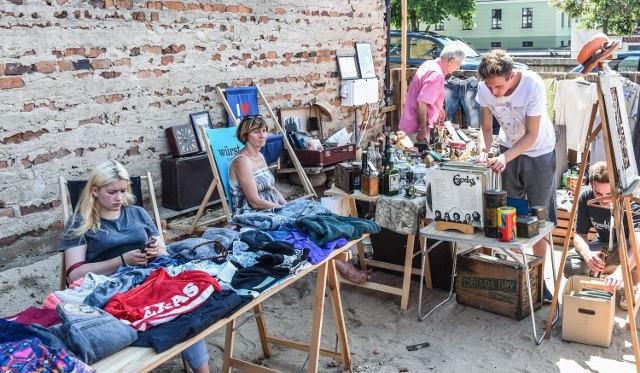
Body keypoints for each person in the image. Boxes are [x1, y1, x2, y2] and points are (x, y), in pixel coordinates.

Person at [59, 160, 210, 373]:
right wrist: (122, 260)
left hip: (151, 276)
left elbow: (164, 252)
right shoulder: (80, 222)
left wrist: (156, 249)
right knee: (177, 313)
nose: (119, 198)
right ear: (94, 191)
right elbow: (74, 275)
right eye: (112, 192)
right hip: (111, 286)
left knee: (185, 311)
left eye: (123, 190)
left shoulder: (137, 213)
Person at [228, 115, 372, 283]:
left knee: (316, 213)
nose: (263, 136)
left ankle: (346, 263)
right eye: (256, 132)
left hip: (271, 208)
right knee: (304, 230)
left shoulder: (259, 156)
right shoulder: (241, 162)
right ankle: (346, 270)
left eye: (264, 131)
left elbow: (272, 189)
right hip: (252, 215)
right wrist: (284, 211)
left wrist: (287, 205)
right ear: (245, 135)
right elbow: (255, 201)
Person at [476, 49, 557, 302]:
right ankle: (512, 275)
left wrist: (504, 157)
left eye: (498, 86)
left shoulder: (532, 85)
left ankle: (540, 281)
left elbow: (531, 135)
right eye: (490, 87)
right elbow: (487, 128)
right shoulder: (484, 89)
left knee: (538, 218)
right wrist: (484, 151)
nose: (494, 92)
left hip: (539, 153)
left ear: (512, 76)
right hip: (506, 150)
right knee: (505, 216)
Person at [563, 162, 639, 309]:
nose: (603, 199)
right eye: (598, 193)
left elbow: (638, 246)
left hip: (630, 249)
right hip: (606, 247)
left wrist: (620, 273)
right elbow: (579, 235)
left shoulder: (631, 200)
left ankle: (630, 281)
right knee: (569, 266)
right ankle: (611, 272)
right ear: (591, 186)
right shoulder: (586, 196)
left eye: (609, 193)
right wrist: (587, 255)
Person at [398, 44, 466, 143]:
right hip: (418, 126)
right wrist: (422, 127)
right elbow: (421, 102)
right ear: (451, 61)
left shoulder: (429, 64)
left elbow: (423, 94)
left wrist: (438, 108)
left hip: (411, 118)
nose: (459, 67)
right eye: (459, 64)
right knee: (424, 156)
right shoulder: (437, 75)